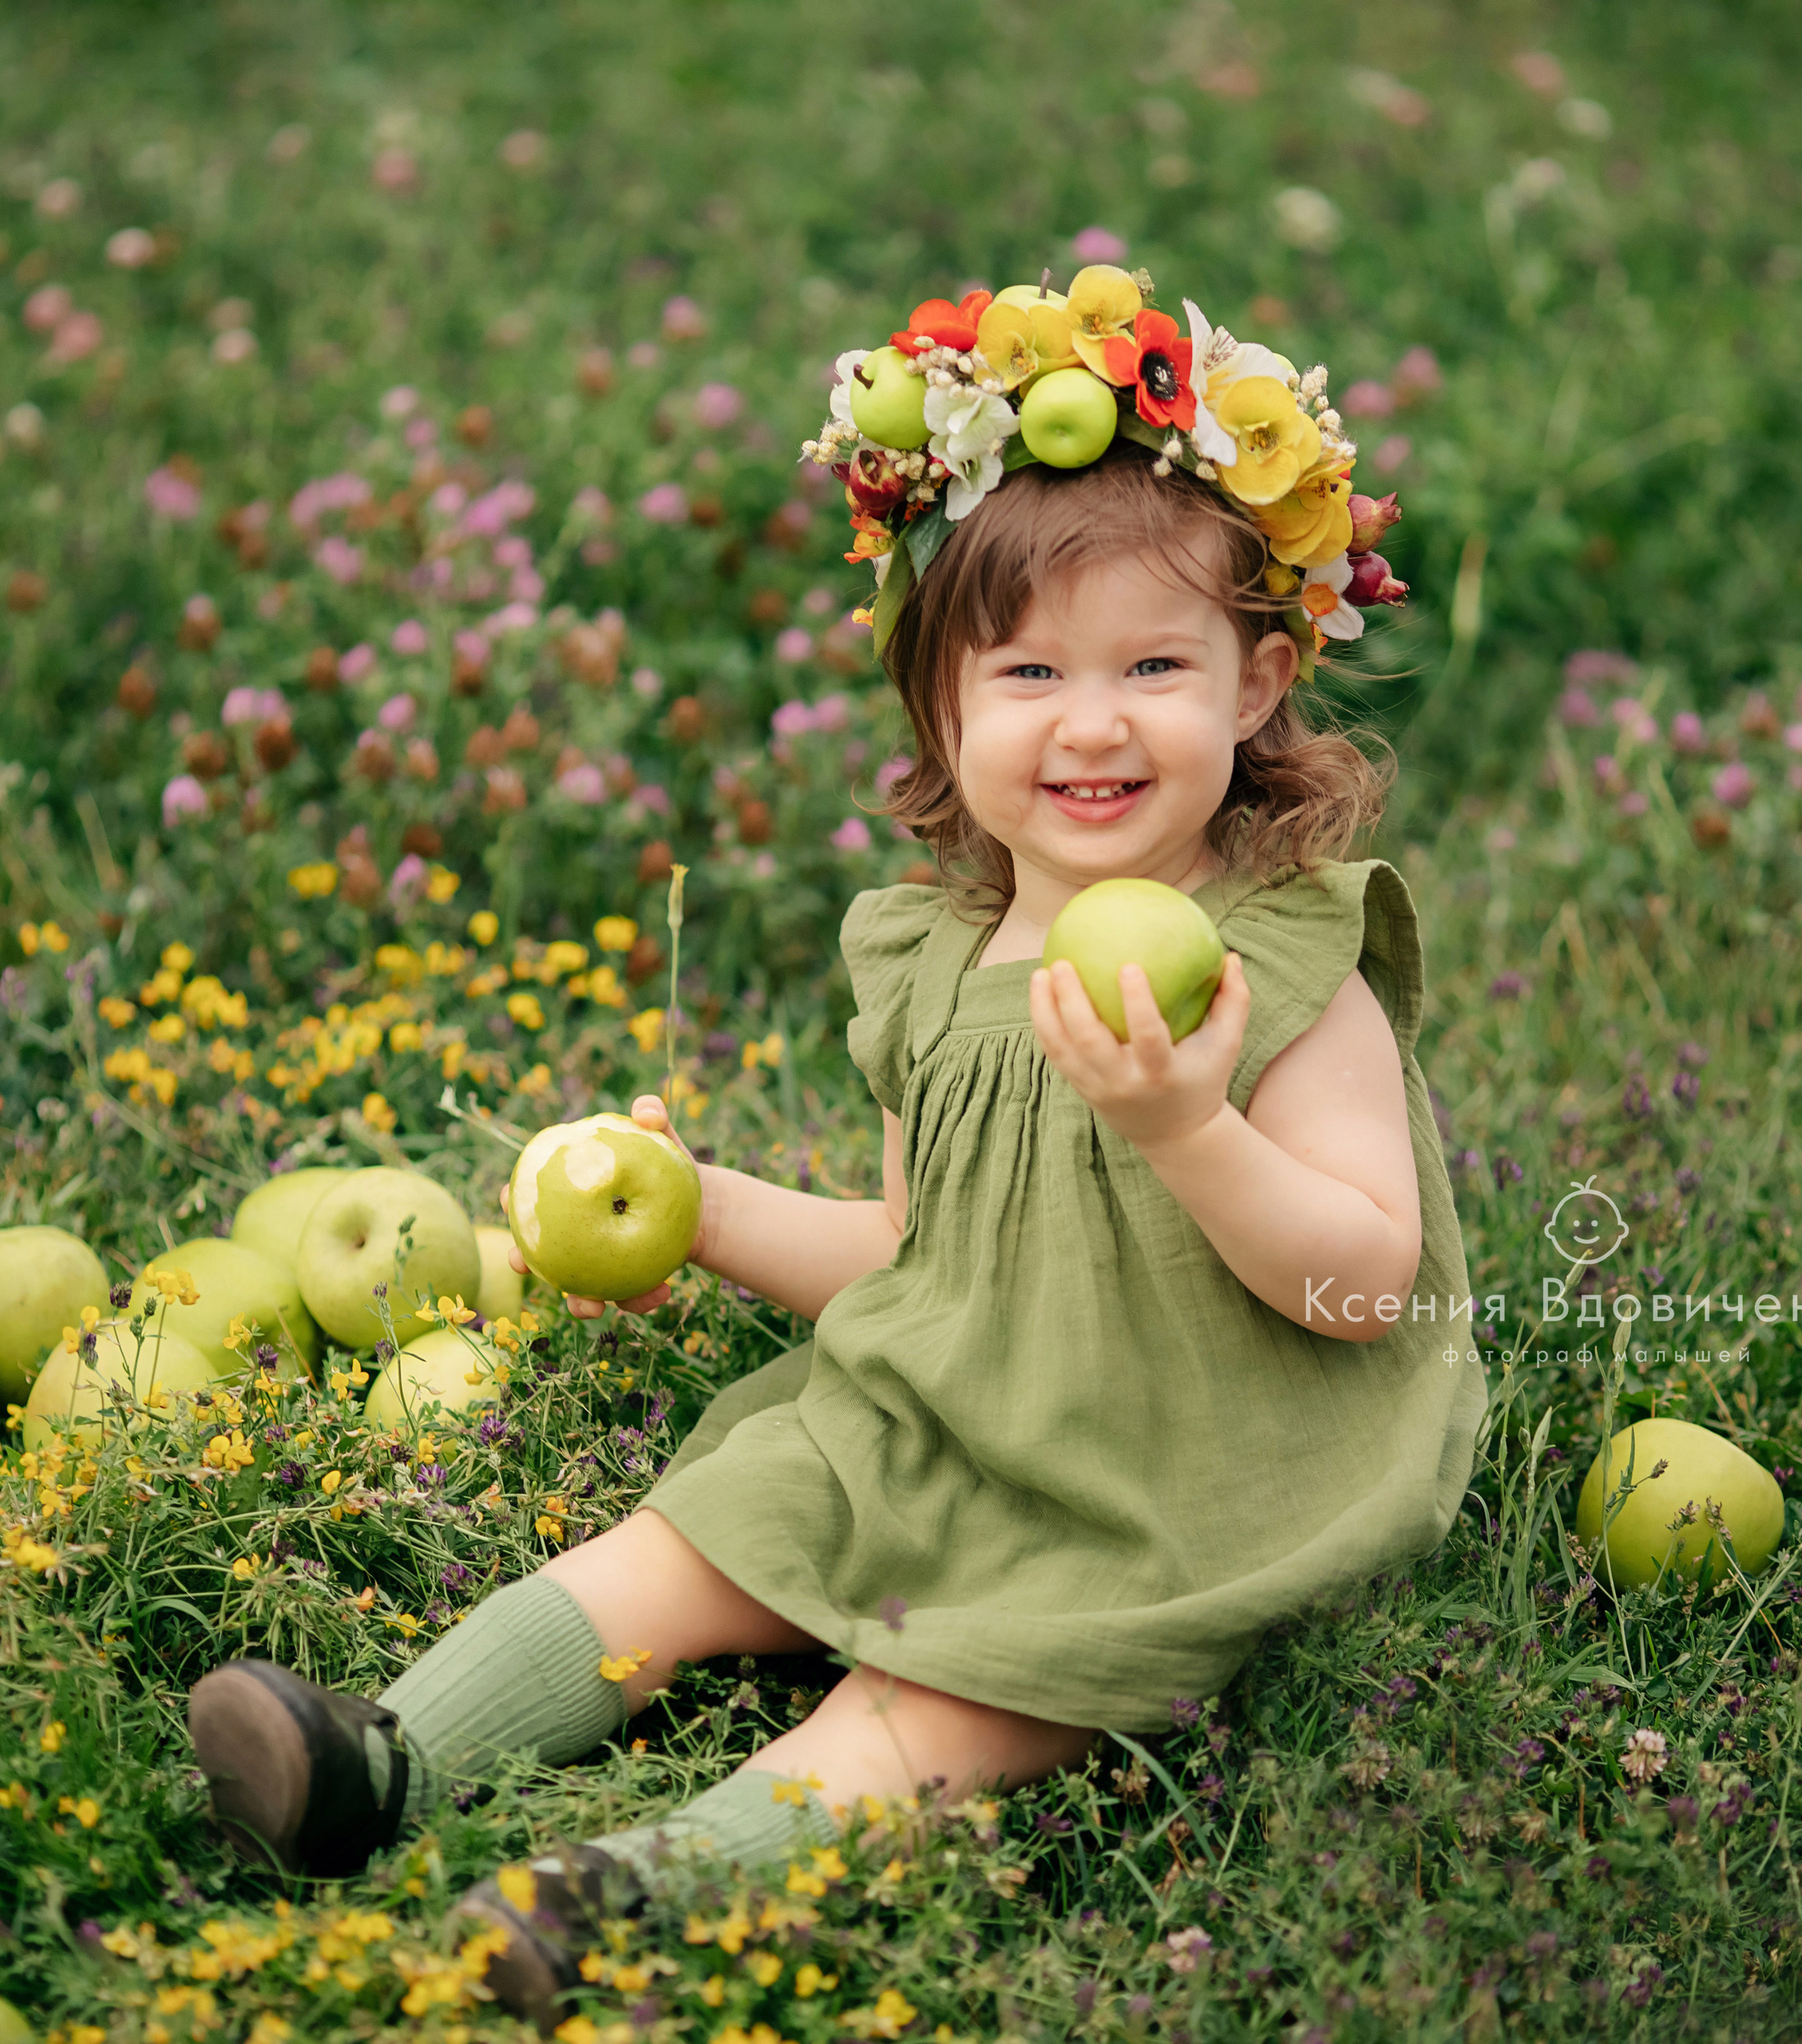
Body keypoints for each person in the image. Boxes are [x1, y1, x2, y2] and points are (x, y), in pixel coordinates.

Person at [187, 269, 1483, 2018]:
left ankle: (626, 1895)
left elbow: (1362, 1283)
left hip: (1175, 1475)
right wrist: (702, 1208)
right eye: (1027, 669)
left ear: (1256, 683)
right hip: (952, 1404)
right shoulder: (929, 961)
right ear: (937, 702)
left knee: (948, 1690)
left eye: (1152, 665)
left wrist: (1182, 1121)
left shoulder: (1284, 964)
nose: (1090, 720)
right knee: (696, 1533)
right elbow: (917, 1256)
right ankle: (384, 1755)